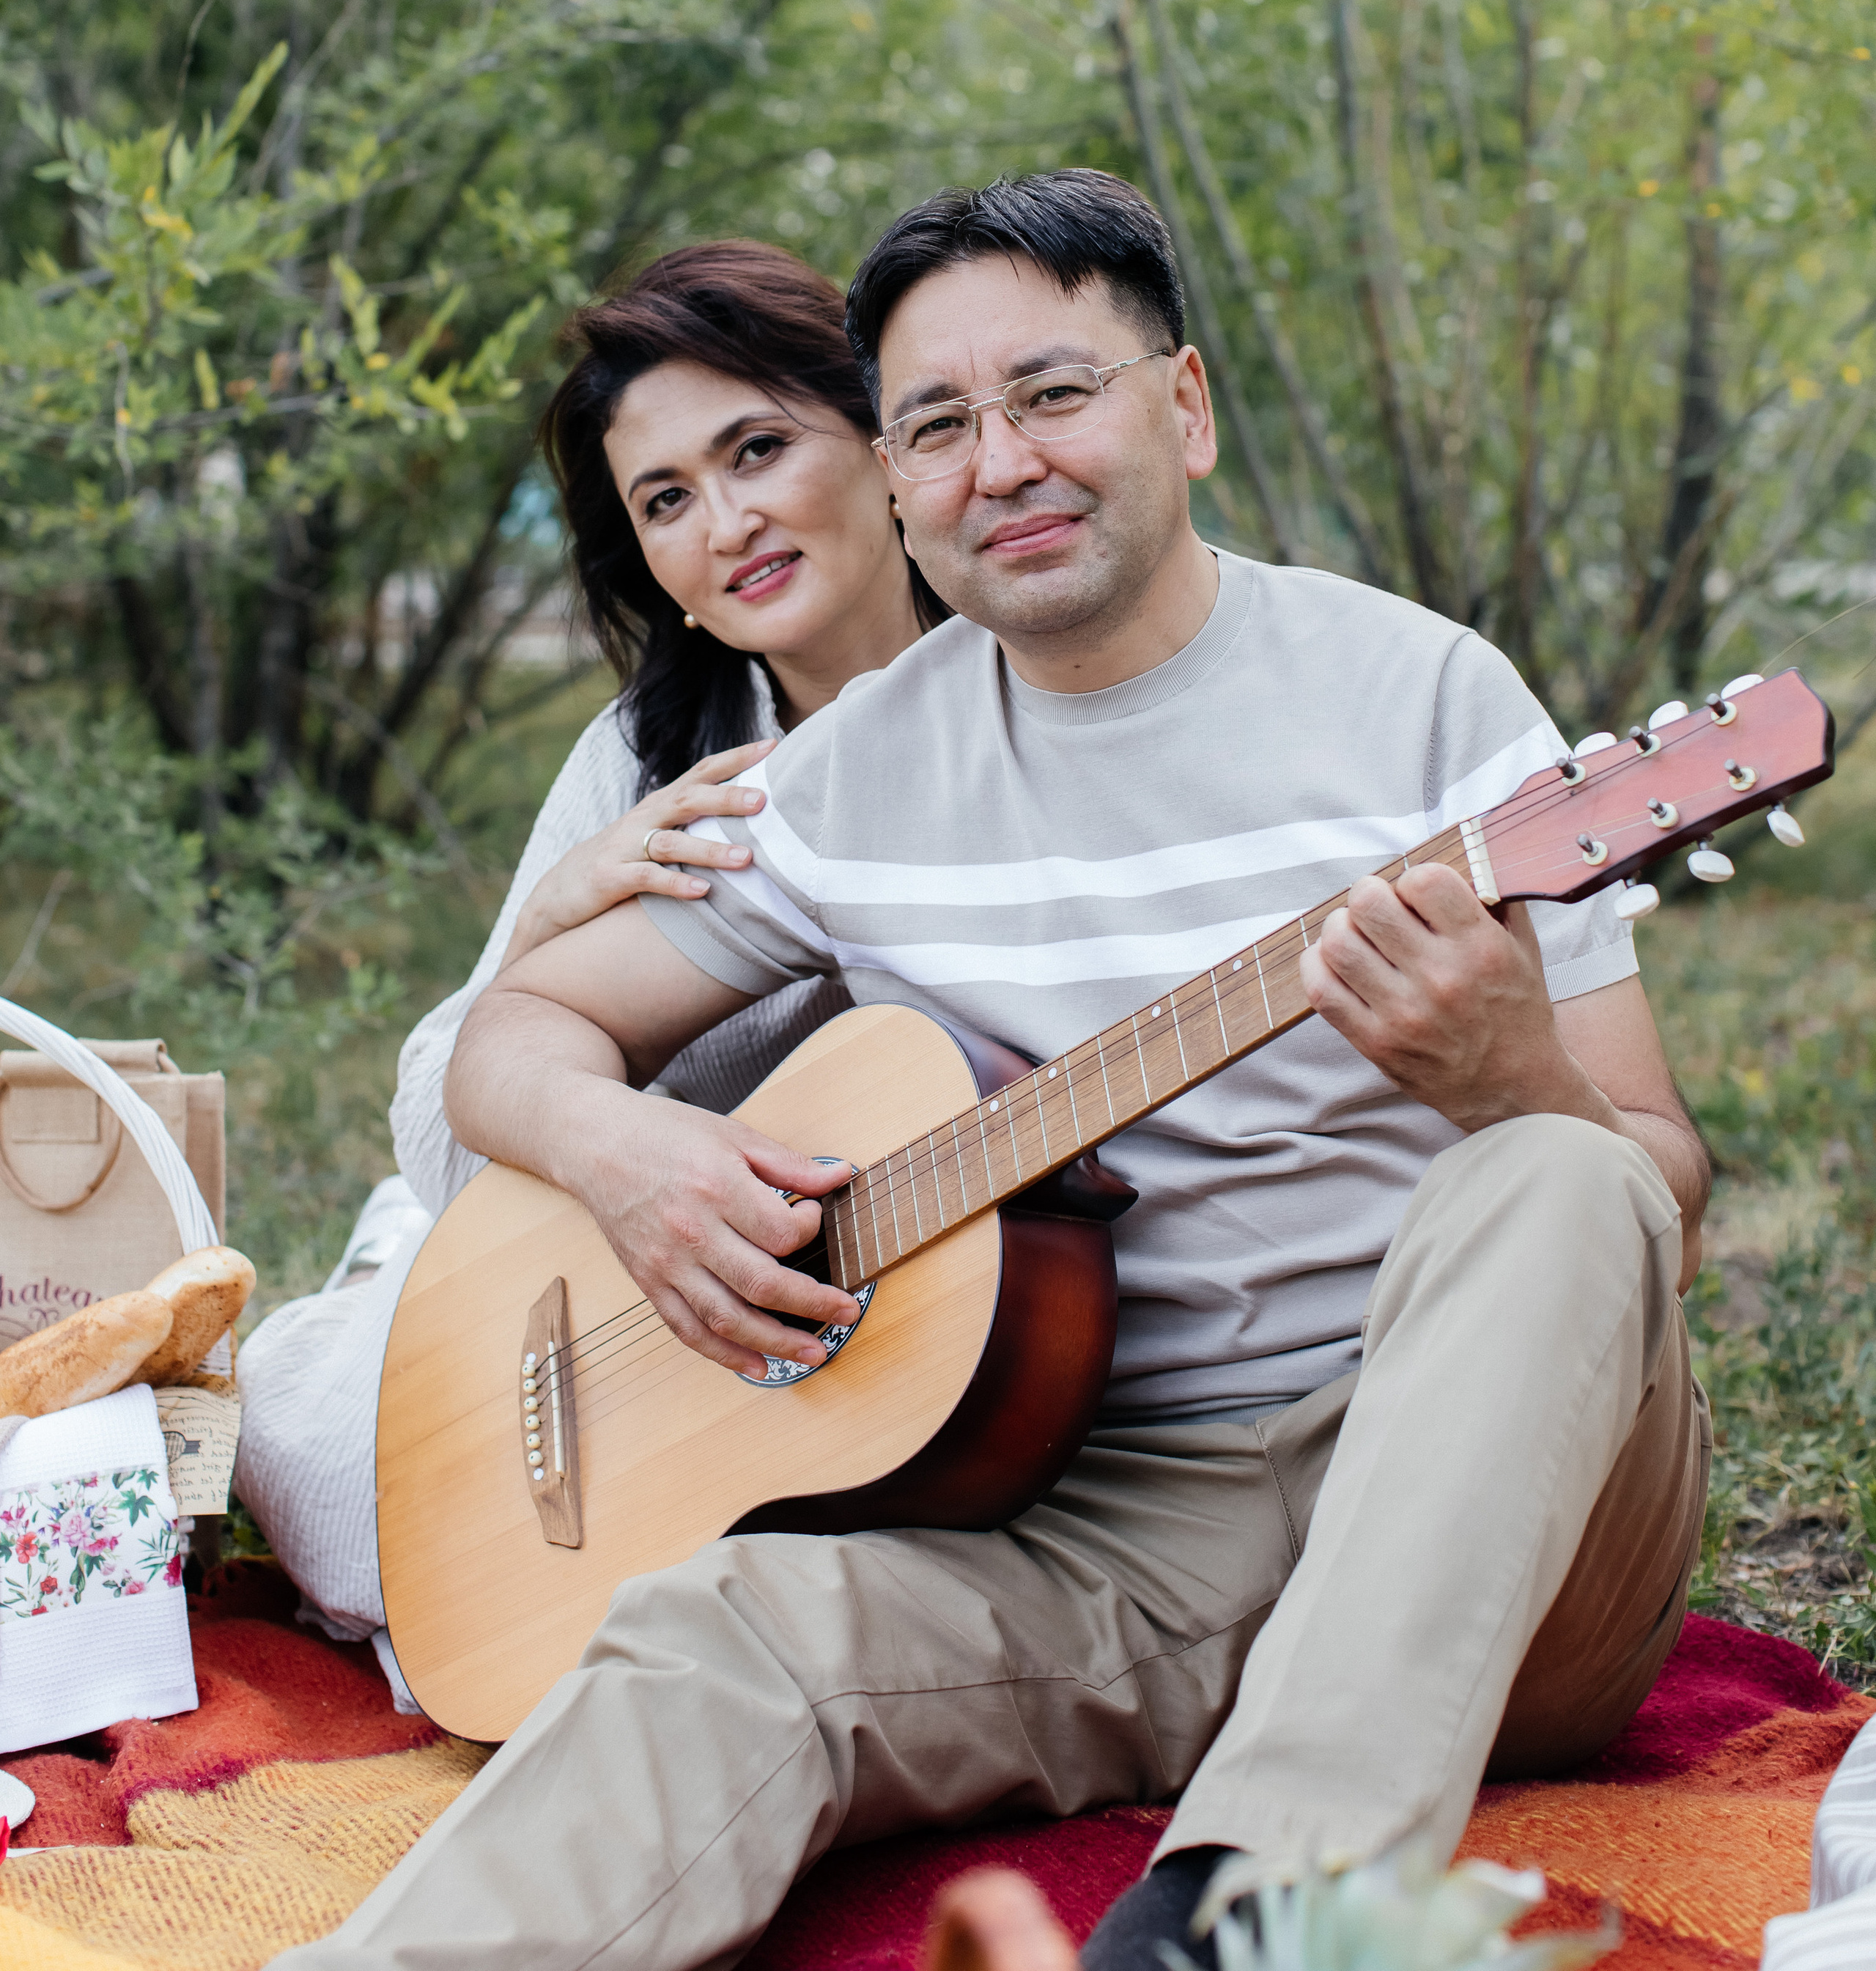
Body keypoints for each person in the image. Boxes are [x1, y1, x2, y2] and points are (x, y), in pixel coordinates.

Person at [273, 169, 1709, 1971]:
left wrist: (1513, 1082)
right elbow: (510, 1043)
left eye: (1052, 393)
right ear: (891, 473)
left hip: (1506, 1531)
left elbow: (1658, 1184)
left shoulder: (1423, 702)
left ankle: (1253, 1916)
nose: (998, 463)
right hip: (1109, 1531)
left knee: (1553, 1171)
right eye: (936, 424)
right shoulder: (846, 779)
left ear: (1180, 407)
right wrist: (632, 1162)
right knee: (718, 1628)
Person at [234, 240, 945, 1648]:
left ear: (880, 439)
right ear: (658, 569)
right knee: (312, 1437)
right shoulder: (651, 756)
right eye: (667, 500)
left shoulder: (1022, 685)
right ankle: (374, 1288)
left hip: (880, 1281)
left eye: (758, 449)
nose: (728, 522)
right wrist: (557, 934)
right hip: (603, 1270)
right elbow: (448, 1156)